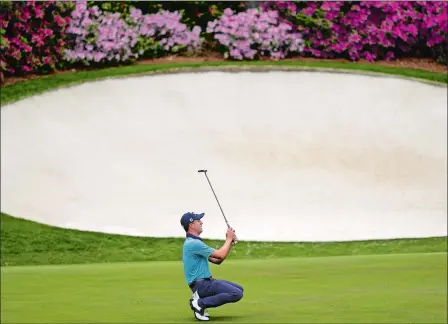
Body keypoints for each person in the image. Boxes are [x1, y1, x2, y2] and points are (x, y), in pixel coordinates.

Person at [180, 212, 244, 321]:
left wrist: (230, 243)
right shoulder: (194, 244)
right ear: (191, 225)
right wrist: (228, 239)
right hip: (202, 285)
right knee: (236, 293)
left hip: (203, 284)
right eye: (198, 220)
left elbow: (217, 260)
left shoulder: (194, 243)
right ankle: (200, 304)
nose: (201, 222)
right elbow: (220, 254)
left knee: (239, 289)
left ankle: (200, 300)